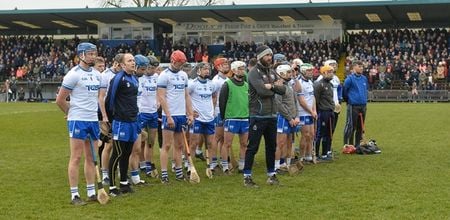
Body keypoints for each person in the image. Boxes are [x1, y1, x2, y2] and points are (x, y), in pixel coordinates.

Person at [55, 42, 101, 205]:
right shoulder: (73, 74)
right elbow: (60, 100)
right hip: (78, 120)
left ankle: (91, 192)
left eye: (94, 53)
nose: (93, 56)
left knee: (92, 157)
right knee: (76, 157)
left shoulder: (97, 74)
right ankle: (74, 195)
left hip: (93, 120)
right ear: (81, 55)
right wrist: (71, 113)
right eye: (90, 54)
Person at [243, 45, 286, 187]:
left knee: (271, 147)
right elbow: (262, 91)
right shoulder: (253, 73)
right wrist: (274, 86)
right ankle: (247, 176)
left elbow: (283, 89)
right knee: (253, 147)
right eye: (267, 55)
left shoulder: (272, 71)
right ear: (260, 57)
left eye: (271, 55)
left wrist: (271, 86)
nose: (270, 58)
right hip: (258, 115)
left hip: (272, 115)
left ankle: (271, 175)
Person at [157, 50, 194, 184]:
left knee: (179, 145)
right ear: (173, 61)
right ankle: (164, 174)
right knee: (166, 145)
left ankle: (179, 173)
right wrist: (168, 115)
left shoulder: (183, 75)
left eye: (182, 63)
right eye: (179, 63)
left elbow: (186, 95)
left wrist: (190, 113)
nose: (181, 65)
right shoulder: (164, 76)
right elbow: (161, 96)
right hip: (170, 115)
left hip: (181, 115)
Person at [105, 53, 139, 196]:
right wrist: (109, 120)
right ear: (122, 65)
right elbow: (109, 100)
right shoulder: (118, 78)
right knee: (117, 153)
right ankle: (112, 187)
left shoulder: (135, 78)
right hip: (120, 121)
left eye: (133, 60)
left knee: (127, 153)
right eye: (129, 61)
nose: (132, 62)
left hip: (132, 121)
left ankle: (124, 183)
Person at [187, 62, 218, 175]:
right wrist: (190, 112)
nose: (207, 71)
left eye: (208, 69)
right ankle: (190, 166)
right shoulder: (192, 84)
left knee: (210, 143)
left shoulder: (212, 84)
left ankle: (210, 165)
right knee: (193, 143)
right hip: (197, 119)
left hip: (209, 118)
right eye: (204, 69)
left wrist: (212, 109)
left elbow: (214, 96)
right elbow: (186, 96)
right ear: (198, 70)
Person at [219, 61, 249, 174]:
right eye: (240, 68)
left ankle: (242, 165)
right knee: (227, 143)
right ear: (234, 70)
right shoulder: (227, 84)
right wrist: (224, 117)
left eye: (243, 68)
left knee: (244, 144)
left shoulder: (246, 85)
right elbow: (222, 102)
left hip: (245, 118)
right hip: (231, 118)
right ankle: (225, 166)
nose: (242, 70)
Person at [98, 53, 123, 185]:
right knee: (108, 144)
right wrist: (104, 115)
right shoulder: (105, 76)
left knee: (119, 143)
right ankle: (105, 173)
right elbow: (101, 97)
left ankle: (119, 168)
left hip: (120, 113)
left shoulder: (124, 74)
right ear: (117, 64)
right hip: (108, 113)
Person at [137, 55, 160, 178]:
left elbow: (158, 91)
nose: (152, 71)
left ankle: (149, 163)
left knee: (151, 141)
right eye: (150, 68)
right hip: (142, 113)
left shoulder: (156, 77)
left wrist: (158, 101)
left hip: (153, 113)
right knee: (140, 140)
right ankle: (141, 164)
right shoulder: (139, 78)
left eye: (154, 68)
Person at [274, 64, 299, 173]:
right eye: (288, 72)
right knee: (281, 143)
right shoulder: (279, 86)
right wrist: (289, 118)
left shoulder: (289, 85)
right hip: (283, 118)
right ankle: (277, 166)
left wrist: (297, 116)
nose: (291, 74)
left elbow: (295, 102)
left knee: (290, 142)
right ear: (282, 73)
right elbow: (279, 105)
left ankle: (287, 164)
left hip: (293, 118)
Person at [343, 60, 369, 148]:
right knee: (351, 126)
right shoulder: (349, 79)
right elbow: (344, 92)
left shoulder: (364, 78)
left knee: (360, 127)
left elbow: (365, 90)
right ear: (354, 68)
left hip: (363, 105)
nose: (361, 68)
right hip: (353, 105)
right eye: (359, 66)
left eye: (362, 66)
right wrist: (349, 101)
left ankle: (357, 144)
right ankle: (348, 144)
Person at [295, 63, 317, 163]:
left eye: (311, 71)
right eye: (309, 71)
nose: (311, 73)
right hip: (302, 112)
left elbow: (313, 97)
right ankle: (301, 157)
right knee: (305, 135)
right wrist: (311, 111)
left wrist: (314, 110)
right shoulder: (299, 83)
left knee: (312, 134)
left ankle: (309, 155)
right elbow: (302, 101)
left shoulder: (310, 82)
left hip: (310, 112)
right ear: (303, 71)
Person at [313, 65, 335, 161]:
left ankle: (325, 153)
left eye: (332, 72)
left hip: (330, 111)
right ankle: (316, 154)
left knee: (328, 133)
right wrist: (316, 112)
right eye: (329, 72)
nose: (331, 74)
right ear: (324, 73)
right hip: (322, 112)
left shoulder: (330, 84)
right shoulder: (318, 85)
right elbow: (316, 100)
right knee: (319, 134)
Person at [211, 58, 229, 167]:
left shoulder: (228, 79)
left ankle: (224, 162)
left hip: (227, 112)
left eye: (227, 64)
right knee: (217, 137)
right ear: (218, 67)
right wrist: (212, 112)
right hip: (218, 112)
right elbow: (212, 98)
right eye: (224, 64)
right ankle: (213, 162)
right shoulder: (216, 81)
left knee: (224, 139)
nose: (226, 66)